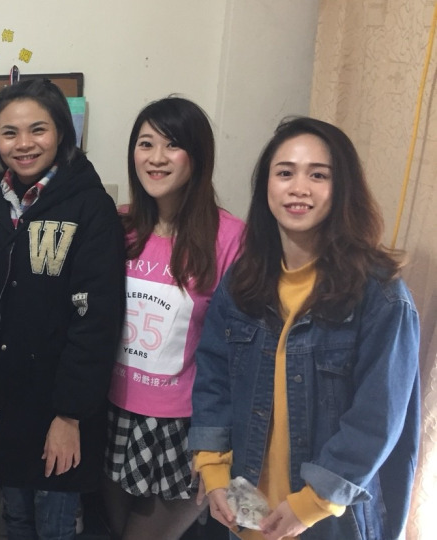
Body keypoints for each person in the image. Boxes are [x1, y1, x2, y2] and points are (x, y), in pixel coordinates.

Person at [190, 117, 420, 540]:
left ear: (342, 188)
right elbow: (213, 377)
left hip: (330, 518)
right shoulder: (242, 280)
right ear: (266, 187)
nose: (299, 188)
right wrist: (213, 469)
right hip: (247, 508)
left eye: (318, 175)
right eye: (285, 173)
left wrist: (312, 503)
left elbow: (377, 419)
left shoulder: (381, 295)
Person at [0, 78, 124, 540]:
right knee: (14, 520)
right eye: (9, 133)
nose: (23, 144)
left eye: (38, 129)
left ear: (60, 133)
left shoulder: (90, 206)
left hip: (59, 405)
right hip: (2, 400)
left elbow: (96, 321)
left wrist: (70, 416)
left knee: (55, 524)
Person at [103, 97, 244, 539]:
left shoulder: (230, 237)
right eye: (146, 144)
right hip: (112, 412)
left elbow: (239, 352)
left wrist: (218, 447)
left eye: (172, 145)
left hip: (185, 426)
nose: (156, 158)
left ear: (197, 156)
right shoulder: (117, 226)